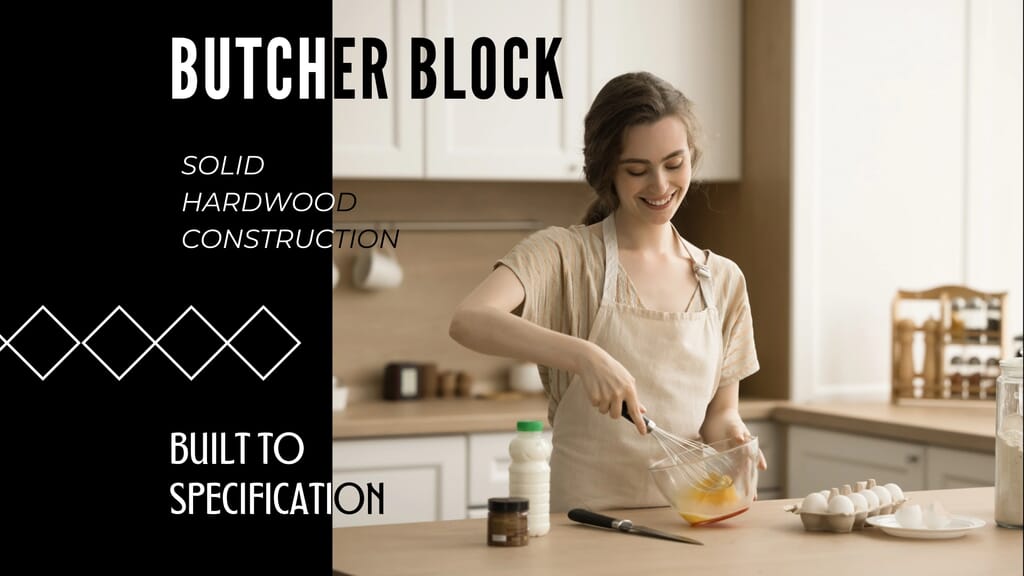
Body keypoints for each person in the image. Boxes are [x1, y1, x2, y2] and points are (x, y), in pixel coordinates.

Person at [449, 71, 765, 512]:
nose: (660, 185)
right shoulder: (564, 254)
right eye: (638, 170)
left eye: (675, 164)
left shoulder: (724, 280)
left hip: (686, 520)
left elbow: (719, 413)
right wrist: (584, 356)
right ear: (607, 173)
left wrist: (733, 437)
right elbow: (468, 321)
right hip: (583, 524)